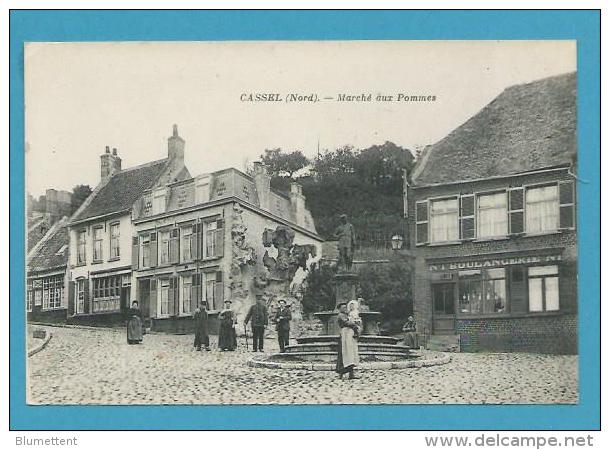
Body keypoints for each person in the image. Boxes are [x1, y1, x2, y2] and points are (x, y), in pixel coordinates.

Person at [335, 302, 360, 380]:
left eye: (345, 307)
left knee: (351, 353)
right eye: (343, 308)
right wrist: (355, 325)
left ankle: (351, 373)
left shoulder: (347, 315)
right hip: (345, 335)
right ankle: (341, 374)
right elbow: (346, 323)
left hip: (349, 335)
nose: (345, 309)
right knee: (344, 353)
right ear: (339, 309)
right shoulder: (340, 316)